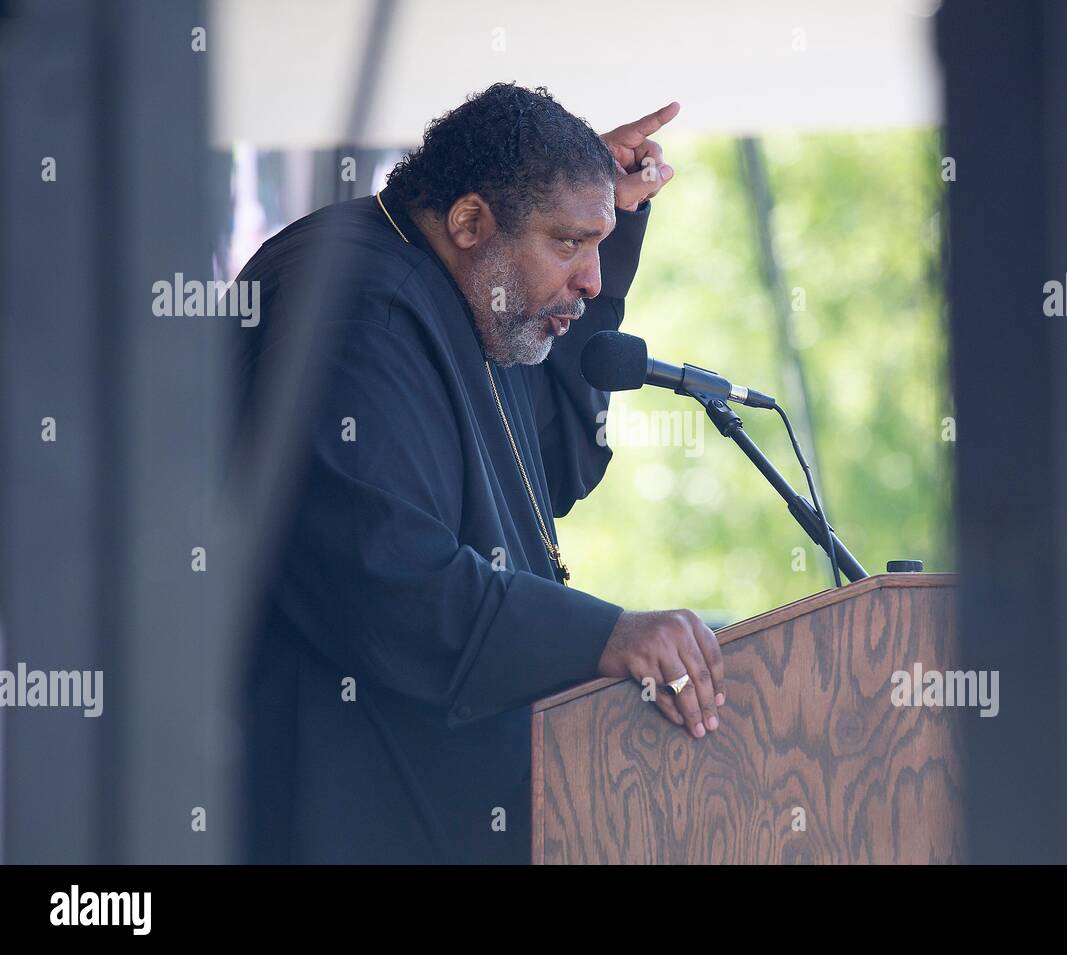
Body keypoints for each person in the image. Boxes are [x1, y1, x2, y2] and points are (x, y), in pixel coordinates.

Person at [231, 83, 726, 863]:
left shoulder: (456, 287)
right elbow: (386, 580)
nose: (593, 281)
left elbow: (551, 465)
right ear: (469, 221)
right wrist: (607, 635)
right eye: (569, 244)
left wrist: (608, 224)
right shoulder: (359, 310)